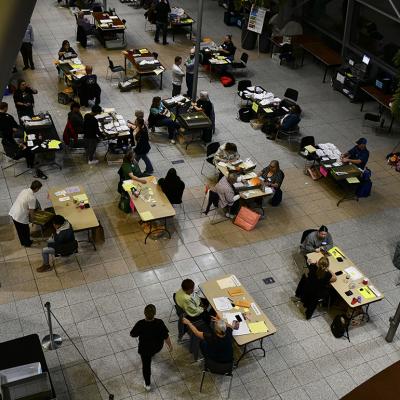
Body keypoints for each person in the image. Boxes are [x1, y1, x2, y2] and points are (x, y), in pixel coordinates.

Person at [130, 304, 172, 391]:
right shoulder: (159, 323)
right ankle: (152, 354)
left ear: (144, 313)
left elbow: (132, 334)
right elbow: (166, 336)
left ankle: (148, 384)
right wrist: (170, 345)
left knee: (146, 367)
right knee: (152, 353)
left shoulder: (140, 324)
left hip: (144, 349)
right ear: (155, 313)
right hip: (157, 347)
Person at [0, 102, 37, 172]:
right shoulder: (8, 117)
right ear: (5, 108)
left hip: (7, 143)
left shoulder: (4, 140)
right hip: (15, 153)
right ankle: (30, 166)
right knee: (30, 151)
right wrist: (22, 146)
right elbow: (16, 128)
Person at [9, 180, 42, 247]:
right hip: (20, 216)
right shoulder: (32, 198)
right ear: (37, 189)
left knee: (19, 230)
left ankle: (22, 242)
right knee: (25, 231)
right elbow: (31, 211)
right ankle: (27, 243)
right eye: (39, 189)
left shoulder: (24, 190)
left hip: (13, 212)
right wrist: (32, 221)